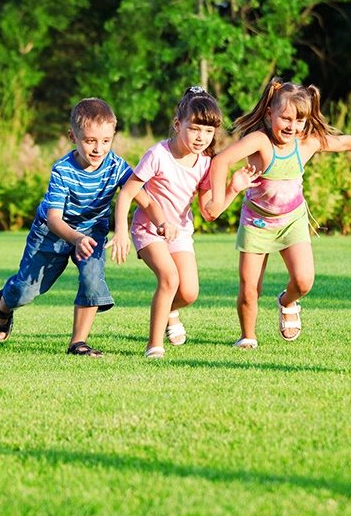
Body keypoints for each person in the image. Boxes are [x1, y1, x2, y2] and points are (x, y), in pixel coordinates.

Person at [206, 78, 351, 349]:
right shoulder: (260, 141)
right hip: (257, 223)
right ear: (270, 113)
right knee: (250, 290)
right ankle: (248, 336)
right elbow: (221, 161)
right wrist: (217, 198)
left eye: (299, 121)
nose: (292, 126)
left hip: (292, 221)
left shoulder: (305, 143)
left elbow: (340, 143)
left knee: (304, 281)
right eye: (285, 118)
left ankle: (287, 301)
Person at [0, 98, 167, 357]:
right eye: (90, 141)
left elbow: (144, 198)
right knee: (25, 290)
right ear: (73, 136)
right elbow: (54, 219)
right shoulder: (62, 170)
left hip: (93, 232)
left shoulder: (117, 167)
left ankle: (78, 343)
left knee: (92, 280)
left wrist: (161, 222)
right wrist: (76, 239)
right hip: (52, 234)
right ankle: (4, 305)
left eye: (106, 141)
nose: (98, 148)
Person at [111, 87, 260, 358]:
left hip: (179, 232)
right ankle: (154, 346)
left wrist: (233, 188)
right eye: (194, 129)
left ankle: (169, 311)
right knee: (169, 278)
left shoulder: (206, 164)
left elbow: (209, 211)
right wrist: (121, 231)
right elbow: (128, 193)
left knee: (189, 292)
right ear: (178, 125)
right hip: (148, 230)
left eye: (208, 131)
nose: (201, 137)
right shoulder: (158, 154)